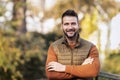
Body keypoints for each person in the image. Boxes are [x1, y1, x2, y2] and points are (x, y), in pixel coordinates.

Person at [45, 9, 100, 80]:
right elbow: (51, 74)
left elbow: (94, 71)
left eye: (73, 23)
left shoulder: (91, 47)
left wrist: (63, 68)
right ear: (62, 26)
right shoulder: (54, 47)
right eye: (66, 24)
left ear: (78, 25)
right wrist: (82, 69)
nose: (70, 27)